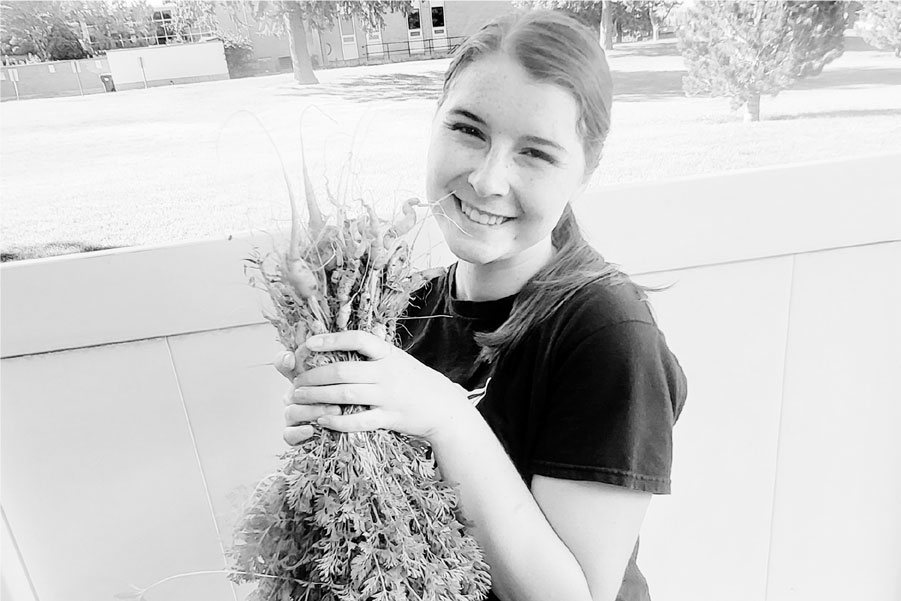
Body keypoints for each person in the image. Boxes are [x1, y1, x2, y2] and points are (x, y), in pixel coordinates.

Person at [276, 9, 687, 601]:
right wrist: (332, 436)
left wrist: (448, 419)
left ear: (585, 171)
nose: (489, 180)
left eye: (536, 154)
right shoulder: (402, 311)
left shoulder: (604, 333)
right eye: (468, 130)